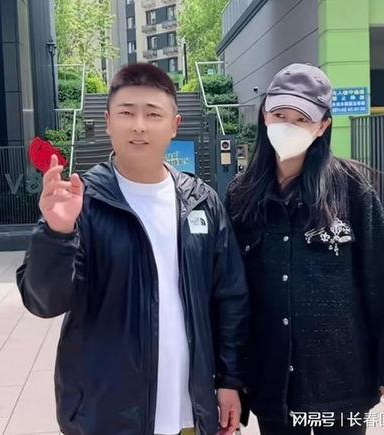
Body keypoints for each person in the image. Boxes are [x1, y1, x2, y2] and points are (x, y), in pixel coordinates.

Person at [17, 63, 249, 435]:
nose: (139, 125)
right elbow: (43, 302)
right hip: (107, 415)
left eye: (153, 114)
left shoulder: (201, 201)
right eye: (127, 113)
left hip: (191, 411)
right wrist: (58, 232)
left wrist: (230, 379)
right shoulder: (83, 202)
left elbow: (230, 297)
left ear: (174, 125)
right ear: (108, 122)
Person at [225, 63, 384, 435]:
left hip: (341, 377)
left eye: (302, 119)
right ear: (265, 115)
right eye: (280, 115)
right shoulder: (241, 194)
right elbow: (230, 289)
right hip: (272, 379)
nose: (288, 126)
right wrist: (228, 375)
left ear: (322, 126)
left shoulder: (351, 189)